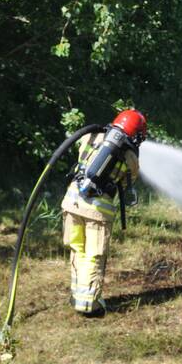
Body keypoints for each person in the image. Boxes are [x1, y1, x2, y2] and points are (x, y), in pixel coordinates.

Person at [61, 109, 147, 317]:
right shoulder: (129, 155)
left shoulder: (92, 135)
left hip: (71, 202)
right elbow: (130, 179)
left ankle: (77, 294)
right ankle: (88, 304)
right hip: (97, 211)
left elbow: (81, 155)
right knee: (94, 255)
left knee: (77, 248)